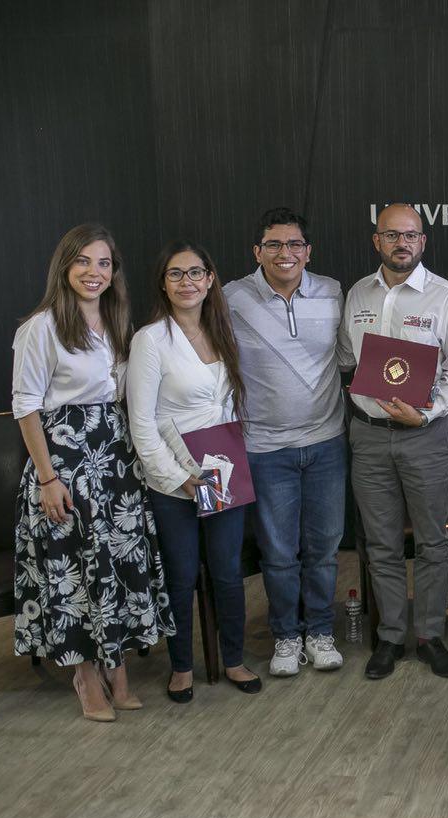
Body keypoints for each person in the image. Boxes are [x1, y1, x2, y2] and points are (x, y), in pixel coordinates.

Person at [12, 223, 175, 721]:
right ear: (65, 266)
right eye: (83, 261)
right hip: (64, 466)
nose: (94, 272)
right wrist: (46, 478)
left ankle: (118, 667)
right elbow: (25, 405)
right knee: (74, 574)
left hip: (117, 463)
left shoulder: (118, 322)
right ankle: (85, 675)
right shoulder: (40, 327)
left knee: (118, 568)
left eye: (104, 263)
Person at [340, 203, 448, 680]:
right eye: (393, 235)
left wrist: (427, 411)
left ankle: (431, 636)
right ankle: (390, 638)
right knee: (379, 544)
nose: (403, 243)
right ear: (376, 240)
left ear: (423, 241)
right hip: (370, 436)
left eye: (412, 235)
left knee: (433, 542)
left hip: (426, 437)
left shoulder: (447, 297)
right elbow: (345, 358)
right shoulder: (358, 294)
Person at [127, 241, 261, 701]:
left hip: (221, 468)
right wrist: (179, 478)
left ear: (210, 280)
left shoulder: (223, 330)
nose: (187, 282)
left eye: (195, 273)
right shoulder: (150, 340)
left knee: (226, 571)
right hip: (174, 478)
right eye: (176, 274)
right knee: (181, 574)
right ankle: (181, 666)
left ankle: (234, 660)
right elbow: (140, 423)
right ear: (163, 284)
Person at [226, 208, 347, 678]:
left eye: (294, 244)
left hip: (326, 443)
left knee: (324, 547)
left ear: (308, 251)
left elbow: (352, 355)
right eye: (274, 245)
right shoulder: (231, 298)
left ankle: (319, 631)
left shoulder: (333, 291)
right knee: (278, 553)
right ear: (257, 252)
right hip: (264, 448)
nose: (285, 253)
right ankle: (285, 637)